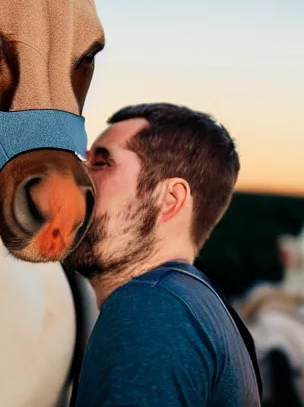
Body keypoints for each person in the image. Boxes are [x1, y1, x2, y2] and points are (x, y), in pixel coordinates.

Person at [65, 102, 262, 407]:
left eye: (102, 163)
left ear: (170, 199)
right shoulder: (203, 309)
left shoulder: (149, 308)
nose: (77, 177)